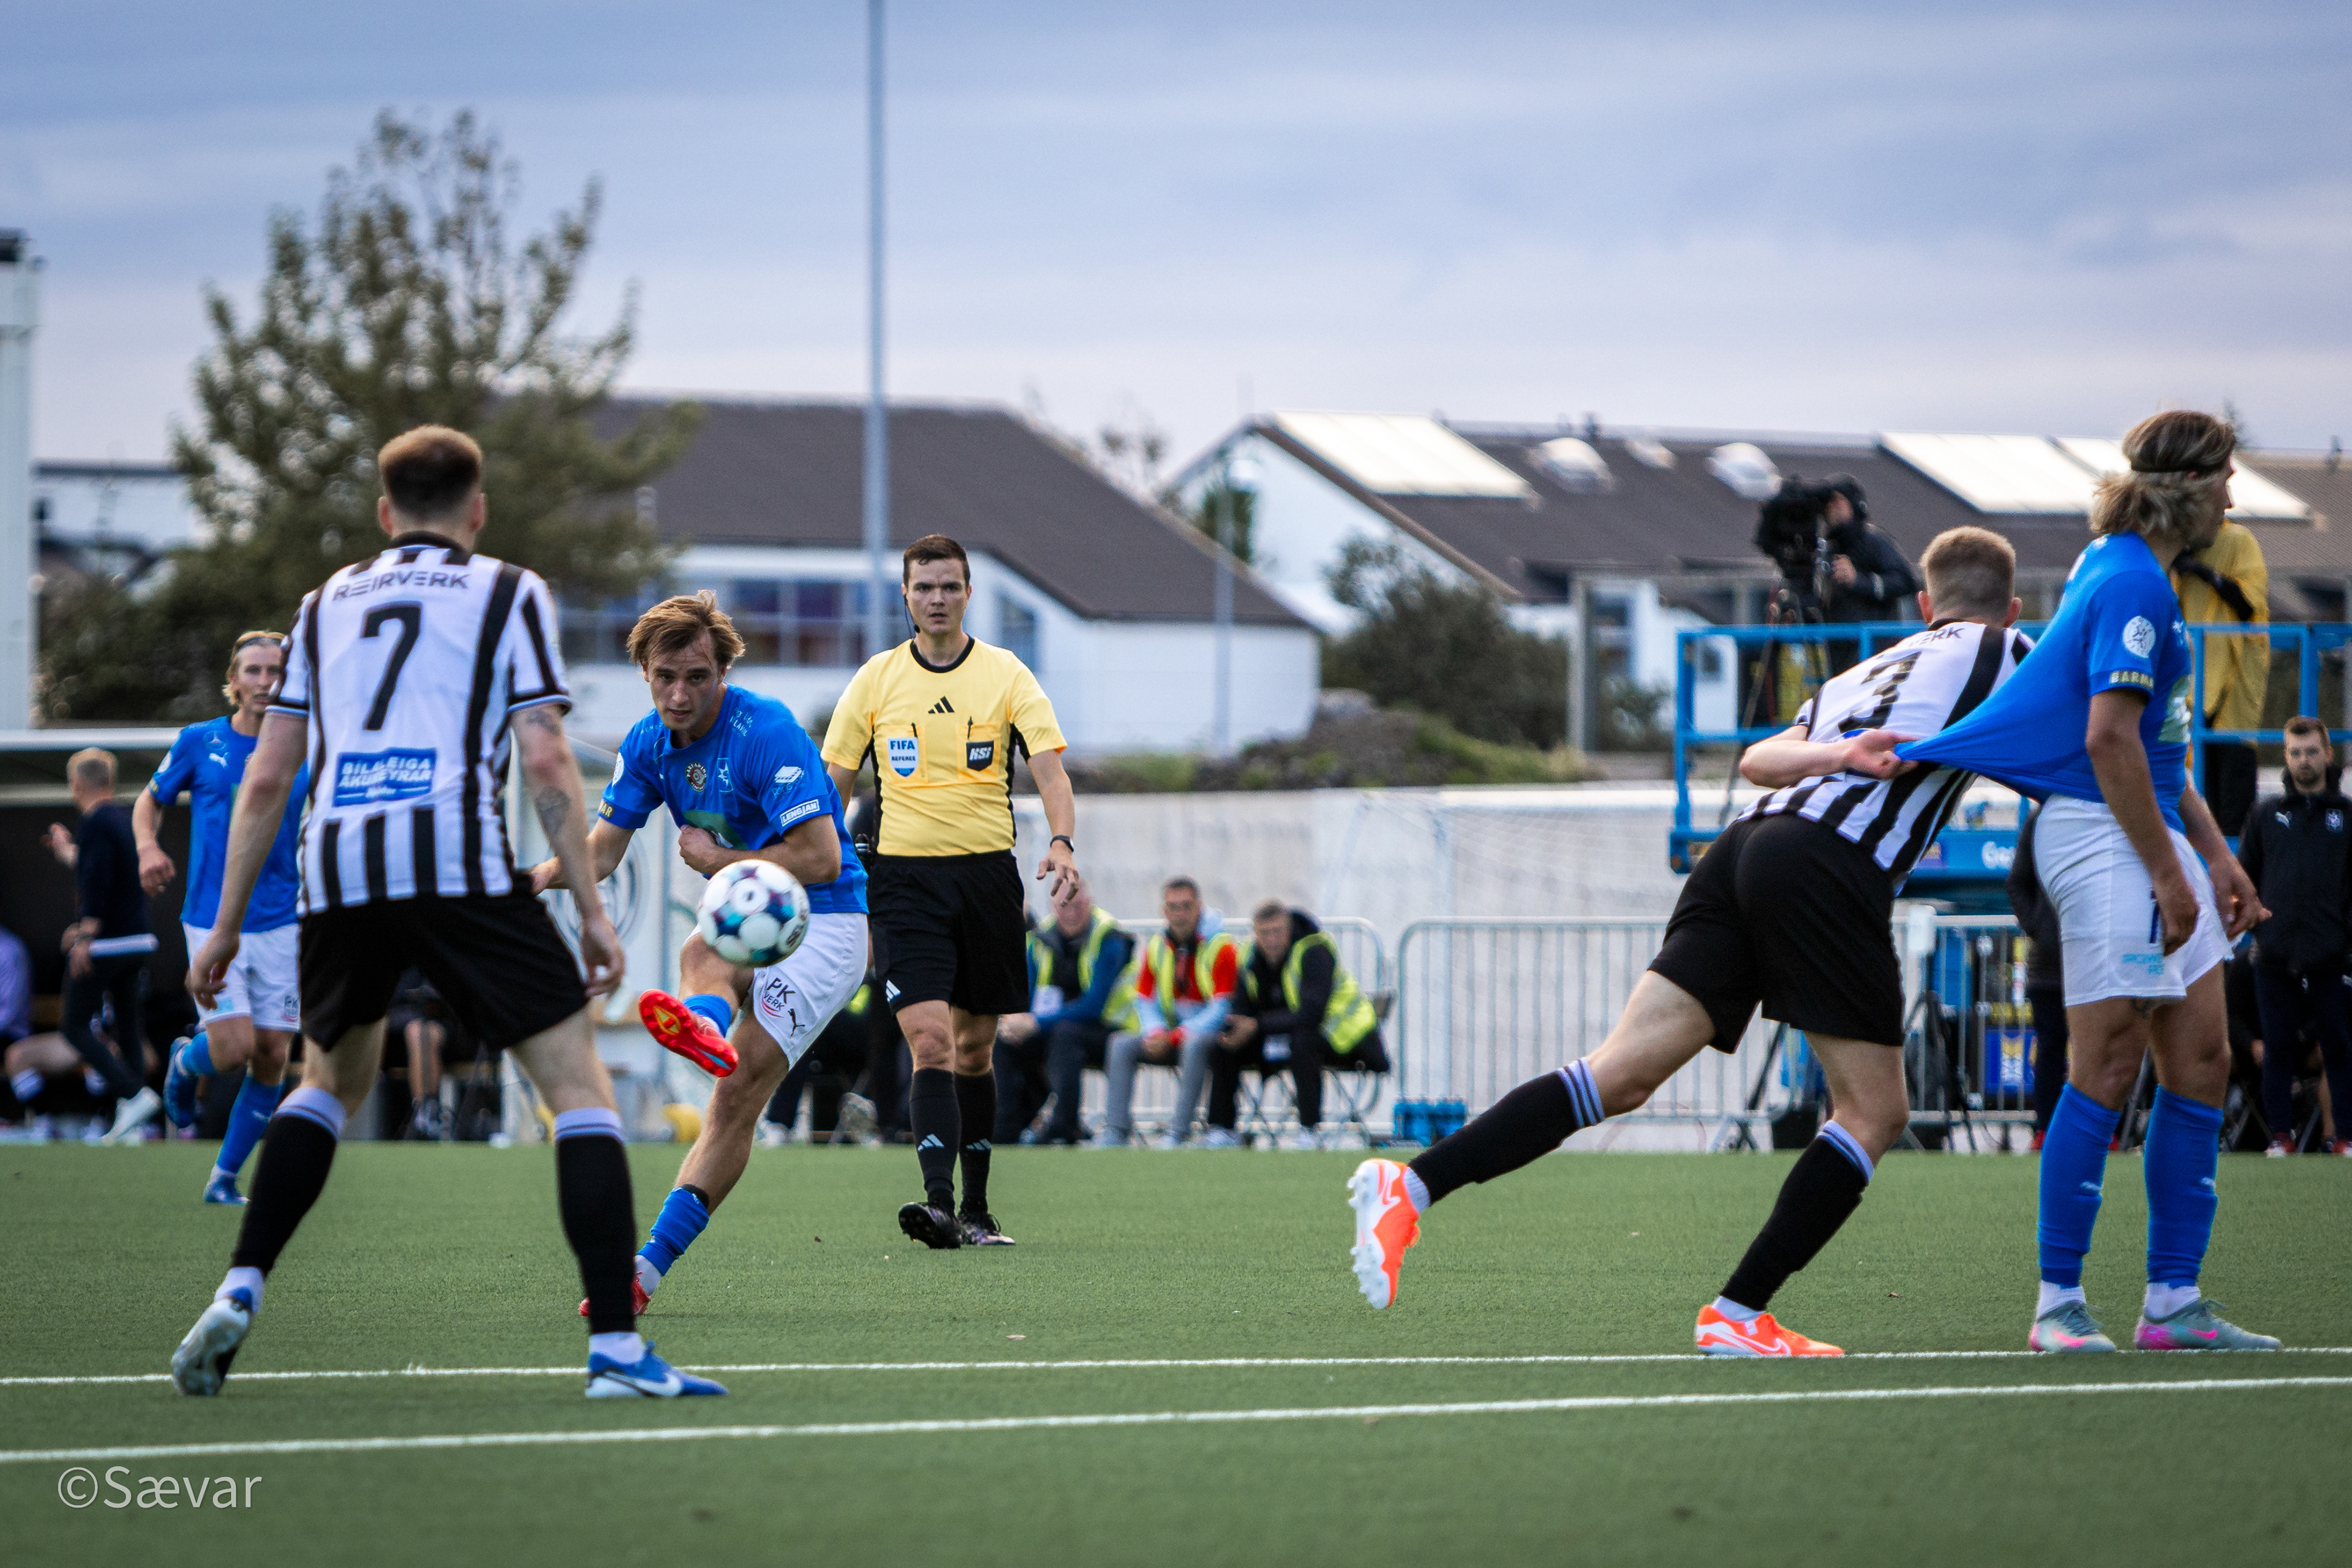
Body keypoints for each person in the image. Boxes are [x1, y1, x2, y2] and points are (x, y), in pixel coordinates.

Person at [1348, 527, 2030, 1354]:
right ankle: (1738, 1314)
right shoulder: (2008, 651)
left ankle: (1411, 1186)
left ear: (1924, 605)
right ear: (2012, 609)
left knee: (1619, 1074)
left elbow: (1758, 761)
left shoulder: (1862, 673)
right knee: (1876, 1111)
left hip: (1741, 850)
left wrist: (1843, 751)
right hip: (1827, 860)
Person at [170, 424, 722, 1400]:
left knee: (325, 1084)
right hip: (456, 860)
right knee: (580, 1092)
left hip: (339, 869)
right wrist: (593, 910)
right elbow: (545, 757)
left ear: (385, 512)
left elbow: (267, 777)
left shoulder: (322, 604)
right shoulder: (508, 591)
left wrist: (221, 925)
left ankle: (240, 1286)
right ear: (478, 510)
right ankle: (616, 1351)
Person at [1902, 409, 2277, 1354]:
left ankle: (2173, 1303)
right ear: (2188, 490)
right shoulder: (2132, 583)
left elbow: (2158, 747)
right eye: (2225, 477)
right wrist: (2168, 870)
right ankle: (2057, 1305)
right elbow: (2108, 742)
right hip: (2106, 833)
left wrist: (2215, 855)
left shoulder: (2125, 568)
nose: (2234, 497)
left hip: (2143, 828)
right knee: (2106, 1064)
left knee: (2204, 1059)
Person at [527, 590, 867, 1313]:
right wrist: (534, 876)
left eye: (696, 677)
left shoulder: (766, 730)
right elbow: (602, 852)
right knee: (702, 957)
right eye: (665, 677)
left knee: (736, 1097)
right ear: (644, 673)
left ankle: (647, 1266)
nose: (679, 694)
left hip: (829, 920)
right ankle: (705, 1029)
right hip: (749, 902)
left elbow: (822, 858)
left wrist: (719, 860)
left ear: (723, 673)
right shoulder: (647, 743)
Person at [822, 533, 1080, 1250]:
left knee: (974, 1049)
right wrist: (820, 861)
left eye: (949, 587)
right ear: (905, 596)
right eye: (924, 587)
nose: (936, 599)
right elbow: (832, 783)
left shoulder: (1007, 674)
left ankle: (977, 1207)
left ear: (968, 593)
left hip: (987, 879)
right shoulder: (875, 680)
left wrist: (1062, 841)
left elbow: (1052, 773)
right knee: (930, 1040)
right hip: (904, 883)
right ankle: (938, 1205)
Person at [141, 631, 311, 1202]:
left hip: (282, 921)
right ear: (233, 681)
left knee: (273, 1055)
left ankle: (224, 1179)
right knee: (233, 1049)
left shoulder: (310, 744)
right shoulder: (200, 740)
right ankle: (185, 1065)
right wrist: (147, 846)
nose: (265, 681)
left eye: (275, 671)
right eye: (253, 671)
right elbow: (150, 800)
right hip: (212, 922)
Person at [2236, 715, 2352, 1155]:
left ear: (2328, 754)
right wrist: (2258, 924)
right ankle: (2279, 1138)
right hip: (2275, 956)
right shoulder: (2266, 814)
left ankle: (2345, 1138)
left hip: (2333, 958)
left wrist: (2345, 937)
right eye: (2296, 752)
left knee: (2339, 1048)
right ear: (2286, 757)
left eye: (2312, 752)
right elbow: (2244, 877)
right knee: (2277, 1048)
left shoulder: (2347, 816)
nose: (2304, 760)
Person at [45, 748, 163, 1142]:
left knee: (73, 1026)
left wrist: (84, 936)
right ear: (110, 782)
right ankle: (133, 1123)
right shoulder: (126, 819)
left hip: (108, 944)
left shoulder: (95, 821)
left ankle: (133, 1094)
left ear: (77, 784)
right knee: (128, 1028)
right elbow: (101, 865)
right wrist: (68, 852)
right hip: (138, 940)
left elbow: (96, 880)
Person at [1212, 900, 1383, 1152]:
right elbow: (1243, 1005)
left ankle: (1309, 1130)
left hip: (1344, 1037)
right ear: (1255, 933)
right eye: (1264, 933)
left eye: (1277, 931)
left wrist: (1257, 1025)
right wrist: (1238, 1027)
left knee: (1304, 1042)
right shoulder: (1248, 954)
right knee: (1224, 1045)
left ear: (1289, 928)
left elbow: (1312, 1014)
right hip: (1282, 1035)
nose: (1272, 940)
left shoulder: (1315, 950)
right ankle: (1222, 1129)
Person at [995, 879, 1134, 1147]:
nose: (1071, 912)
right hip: (1053, 1027)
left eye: (1078, 904)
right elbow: (1026, 995)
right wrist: (1016, 1022)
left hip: (1108, 1029)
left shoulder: (1110, 938)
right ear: (1053, 906)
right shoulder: (1040, 939)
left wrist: (1037, 1023)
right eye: (1064, 905)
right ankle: (1004, 1127)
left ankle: (1064, 1127)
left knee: (1065, 1035)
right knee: (1004, 1039)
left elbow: (1094, 1005)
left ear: (1090, 903)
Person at [1098, 876, 1232, 1147]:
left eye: (1186, 906)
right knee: (1121, 1044)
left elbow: (1221, 1008)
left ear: (1199, 908)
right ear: (1164, 911)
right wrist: (1156, 1032)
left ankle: (1178, 1132)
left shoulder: (1223, 947)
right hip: (1168, 1035)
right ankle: (1115, 1132)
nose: (1179, 914)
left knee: (1194, 1045)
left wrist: (1174, 1037)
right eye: (1173, 907)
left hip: (1208, 1036)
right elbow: (1144, 1000)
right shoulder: (1156, 946)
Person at [2169, 518, 2269, 834]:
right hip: (2193, 684)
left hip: (2234, 679)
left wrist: (2204, 573)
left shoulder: (2239, 540)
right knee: (2201, 788)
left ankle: (2238, 858)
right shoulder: (2175, 548)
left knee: (2235, 789)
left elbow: (2248, 604)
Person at [2005, 802, 2069, 1148]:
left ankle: (2107, 1133)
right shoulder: (2040, 817)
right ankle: (2045, 1129)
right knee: (2051, 1050)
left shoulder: (2111, 806)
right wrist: (2041, 931)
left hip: (2094, 963)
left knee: (2104, 1051)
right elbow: (2016, 883)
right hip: (2049, 969)